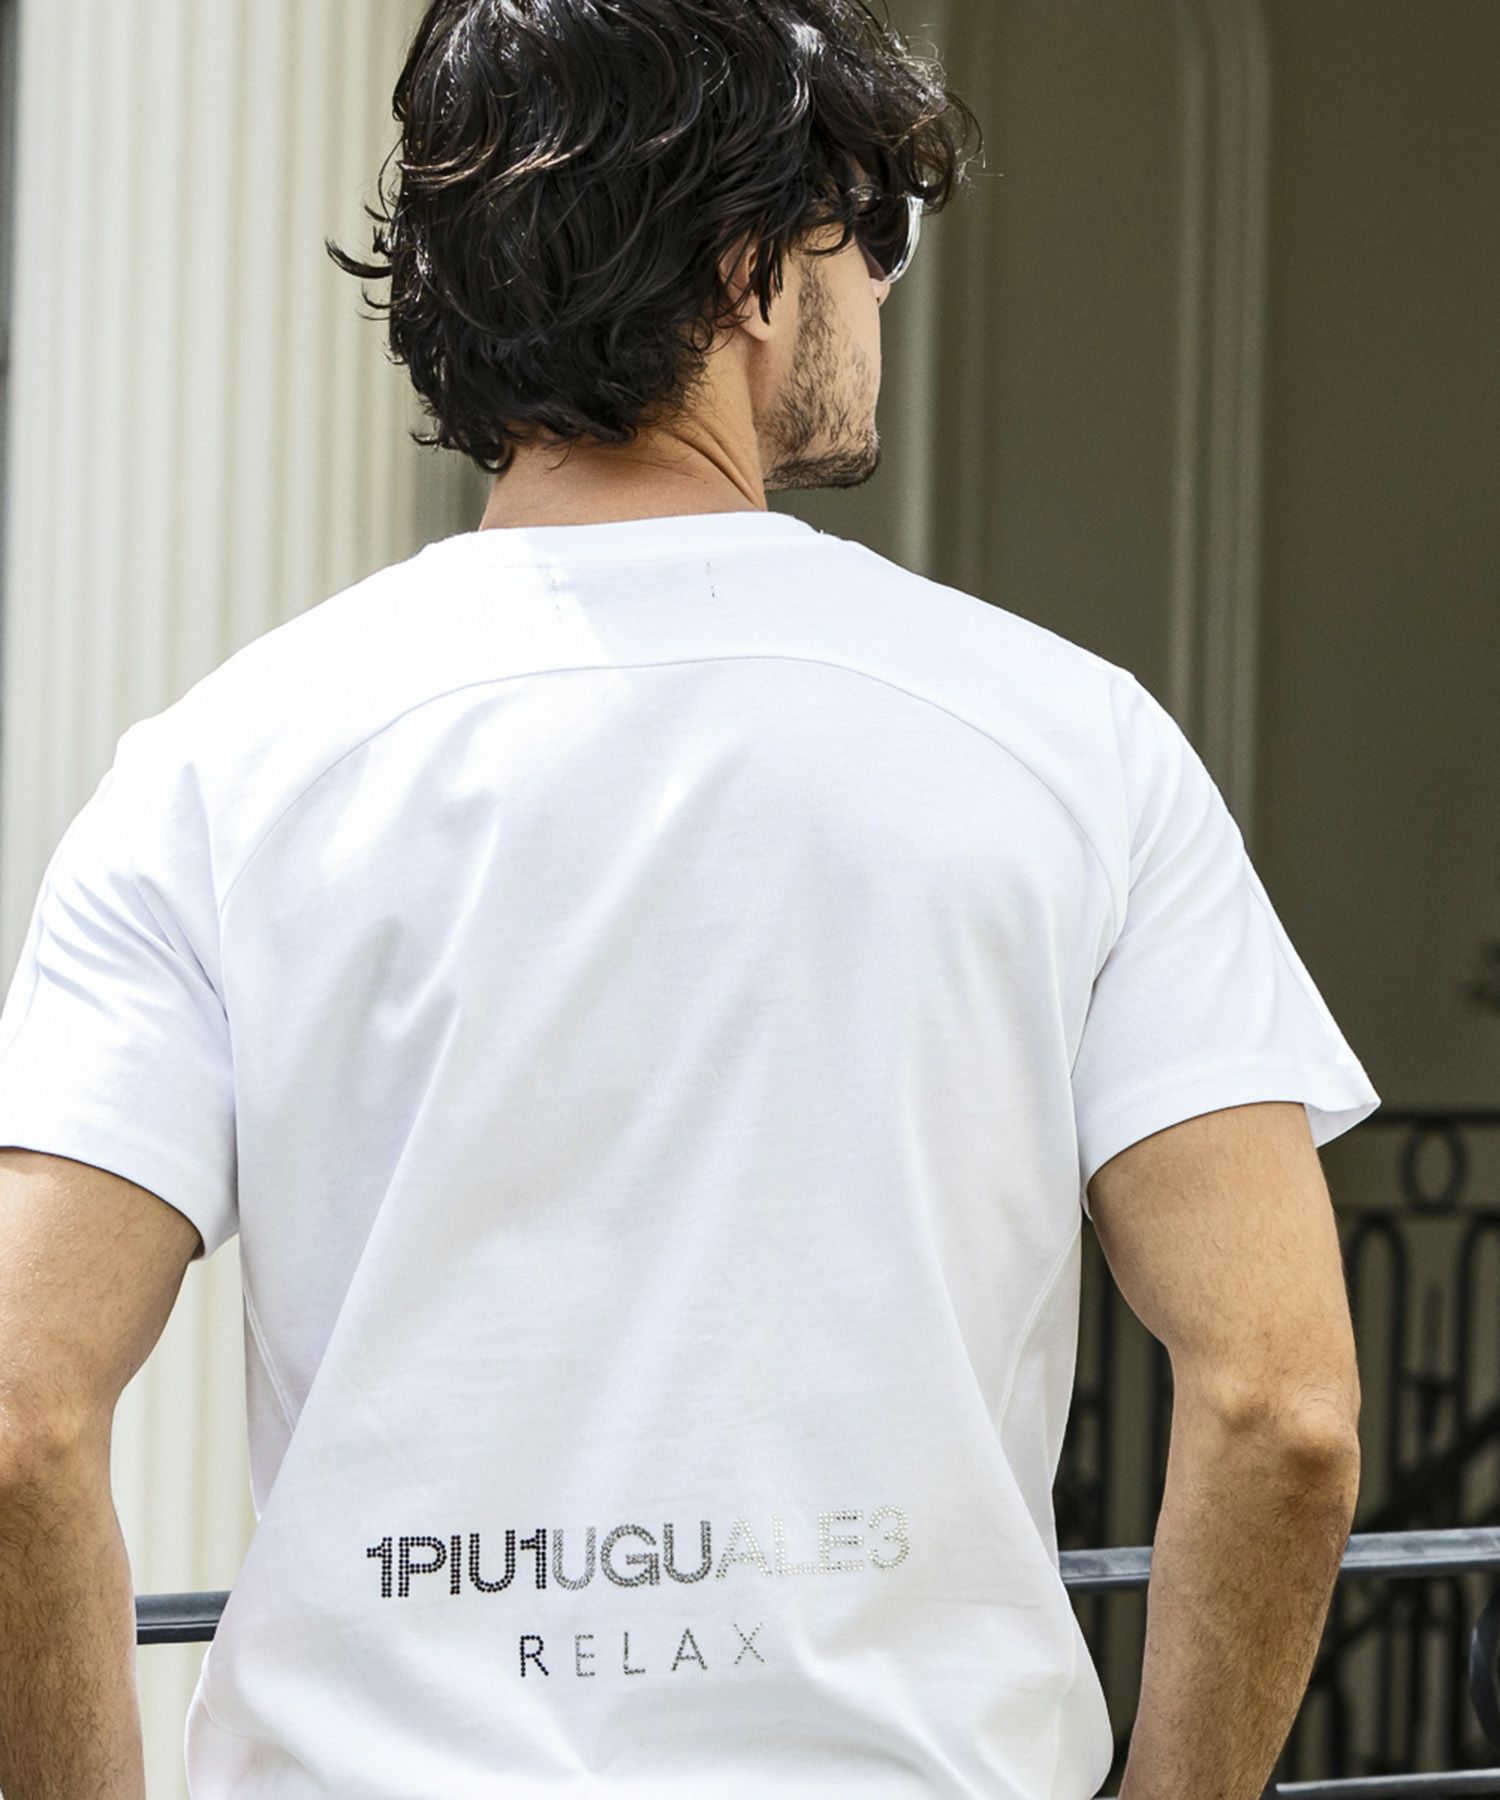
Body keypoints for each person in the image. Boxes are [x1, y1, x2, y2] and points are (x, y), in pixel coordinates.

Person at [0, 2, 1376, 1796]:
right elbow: (1283, 1408)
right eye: (872, 237)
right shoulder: (1068, 745)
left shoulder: (223, 773)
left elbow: (21, 1413)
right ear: (751, 271)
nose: (882, 290)